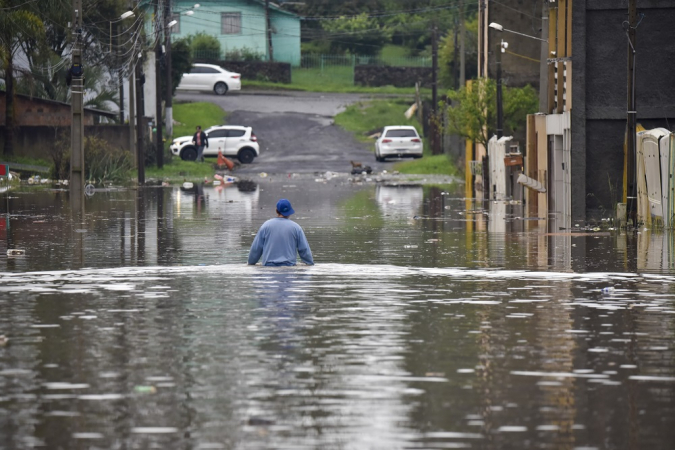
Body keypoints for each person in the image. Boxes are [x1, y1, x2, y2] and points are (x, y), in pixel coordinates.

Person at [248, 199, 314, 266]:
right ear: (290, 212)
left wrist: (251, 263)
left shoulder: (265, 226)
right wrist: (310, 263)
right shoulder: (296, 228)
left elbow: (256, 249)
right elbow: (304, 250)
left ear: (276, 211)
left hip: (268, 268)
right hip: (289, 268)